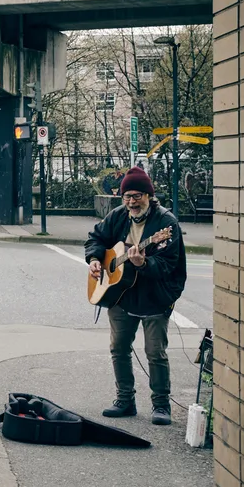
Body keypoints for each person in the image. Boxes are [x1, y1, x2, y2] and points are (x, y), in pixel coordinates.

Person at [85, 167, 186, 425]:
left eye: (137, 195)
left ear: (149, 195)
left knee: (155, 351)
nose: (131, 201)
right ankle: (125, 400)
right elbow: (95, 238)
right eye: (127, 196)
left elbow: (168, 265)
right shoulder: (118, 216)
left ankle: (161, 405)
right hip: (121, 293)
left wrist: (143, 264)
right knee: (118, 347)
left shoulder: (166, 224)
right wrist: (95, 259)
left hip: (155, 295)